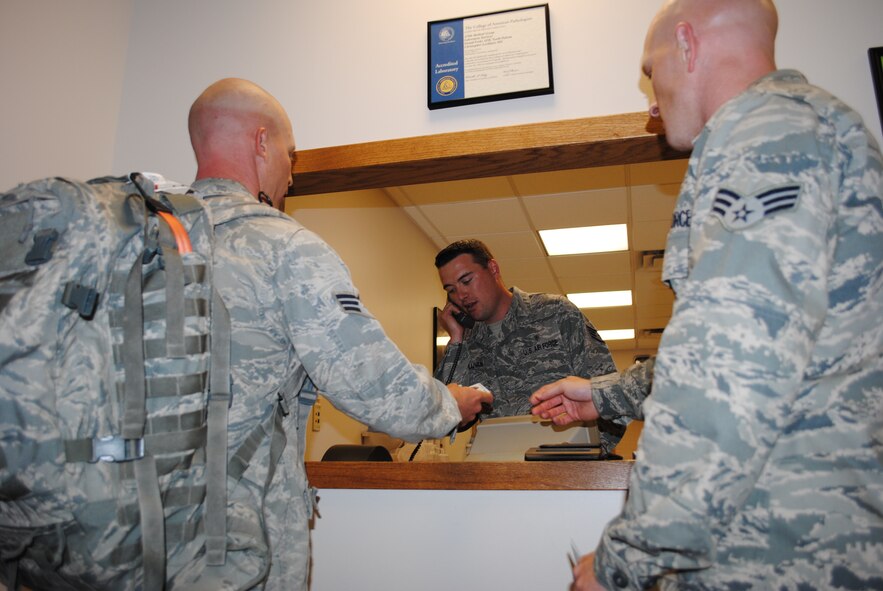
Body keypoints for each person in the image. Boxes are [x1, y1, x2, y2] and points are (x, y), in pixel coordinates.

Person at [531, 0, 883, 588]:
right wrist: (601, 395)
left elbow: (728, 370)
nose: (650, 97)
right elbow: (754, 344)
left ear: (688, 45)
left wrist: (625, 562)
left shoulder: (765, 133)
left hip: (784, 551)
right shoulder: (811, 126)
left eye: (651, 70)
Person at [187, 78, 492, 590]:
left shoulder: (140, 242)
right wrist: (450, 404)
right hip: (236, 549)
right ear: (262, 142)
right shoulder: (284, 247)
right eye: (289, 155)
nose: (290, 174)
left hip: (123, 542)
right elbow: (374, 385)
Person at [434, 239, 623, 452]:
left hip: (568, 470)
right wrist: (456, 340)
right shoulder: (467, 341)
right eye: (451, 290)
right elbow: (444, 416)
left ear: (493, 269)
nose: (461, 295)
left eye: (467, 281)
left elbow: (611, 396)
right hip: (501, 470)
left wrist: (592, 458)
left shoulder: (556, 313)